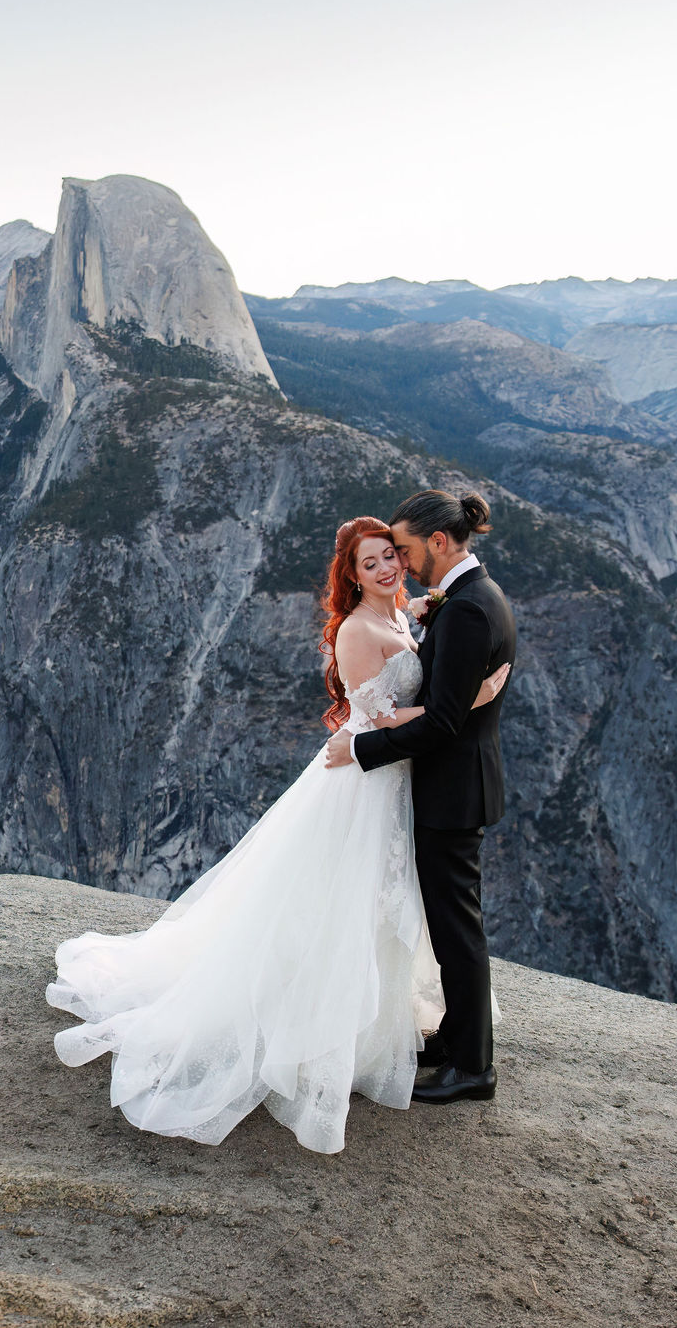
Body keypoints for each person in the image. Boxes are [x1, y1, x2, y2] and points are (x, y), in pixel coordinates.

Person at [47, 515, 508, 1153]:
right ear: (350, 574)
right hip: (366, 782)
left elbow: (414, 665)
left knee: (384, 907)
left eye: (390, 557)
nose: (385, 568)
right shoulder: (355, 630)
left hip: (400, 782)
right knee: (340, 906)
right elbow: (374, 715)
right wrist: (468, 702)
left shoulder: (407, 616)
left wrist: (426, 622)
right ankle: (316, 1031)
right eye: (370, 562)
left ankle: (376, 1032)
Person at [324, 489, 515, 1105]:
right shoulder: (465, 600)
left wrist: (359, 751)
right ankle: (457, 1041)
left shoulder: (463, 609)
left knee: (456, 931)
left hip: (450, 791)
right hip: (446, 786)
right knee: (448, 924)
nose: (398, 566)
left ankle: (473, 1069)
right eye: (380, 559)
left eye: (401, 551)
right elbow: (445, 705)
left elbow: (440, 723)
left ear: (437, 542)